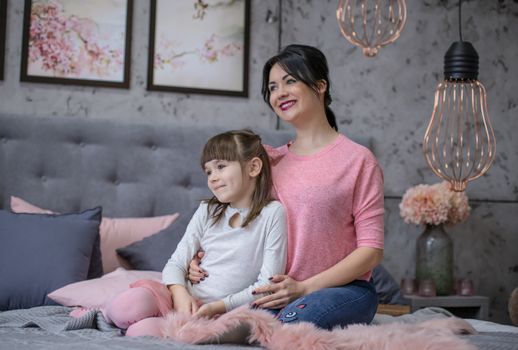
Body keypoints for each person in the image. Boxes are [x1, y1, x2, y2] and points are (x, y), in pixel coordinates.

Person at [189, 44, 384, 330]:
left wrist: (304, 288)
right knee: (215, 322)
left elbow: (371, 250)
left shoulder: (358, 160)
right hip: (269, 291)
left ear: (320, 86)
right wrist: (198, 258)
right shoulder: (265, 161)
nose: (279, 93)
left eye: (290, 81)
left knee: (293, 324)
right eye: (272, 87)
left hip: (340, 291)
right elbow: (228, 222)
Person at [100, 129, 287, 337]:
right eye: (208, 172)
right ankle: (104, 314)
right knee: (124, 308)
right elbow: (176, 263)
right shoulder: (208, 210)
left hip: (220, 313)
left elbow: (267, 285)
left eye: (221, 167)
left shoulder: (273, 214)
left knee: (139, 333)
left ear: (253, 167)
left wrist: (217, 307)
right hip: (181, 297)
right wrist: (179, 294)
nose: (213, 178)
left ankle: (153, 323)